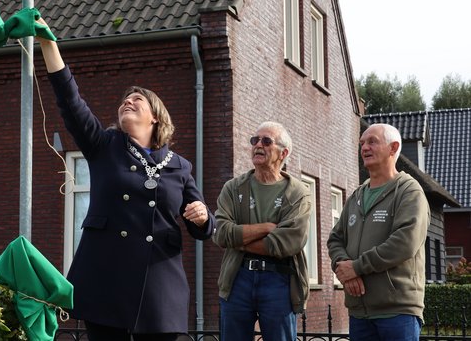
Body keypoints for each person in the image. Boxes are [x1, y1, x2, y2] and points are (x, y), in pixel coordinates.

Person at [35, 21, 215, 341]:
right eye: (124, 102)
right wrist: (50, 45)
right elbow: (71, 103)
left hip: (159, 285)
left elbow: (202, 226)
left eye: (137, 100)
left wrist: (202, 216)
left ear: (156, 116)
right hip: (107, 278)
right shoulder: (105, 146)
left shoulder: (180, 167)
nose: (127, 102)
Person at [327, 123, 430, 341]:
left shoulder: (409, 191)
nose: (364, 147)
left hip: (397, 312)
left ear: (393, 148)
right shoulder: (356, 196)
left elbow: (404, 243)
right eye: (362, 143)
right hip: (359, 311)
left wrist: (356, 268)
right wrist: (345, 268)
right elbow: (335, 239)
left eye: (372, 141)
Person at [212, 121, 311, 341]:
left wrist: (237, 239)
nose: (258, 145)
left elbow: (287, 243)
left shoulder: (298, 193)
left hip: (279, 279)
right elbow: (220, 232)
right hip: (237, 277)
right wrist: (266, 228)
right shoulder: (233, 187)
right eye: (254, 140)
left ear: (283, 153)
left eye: (266, 141)